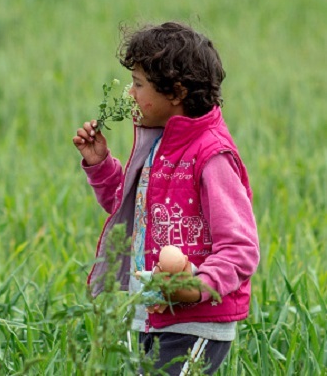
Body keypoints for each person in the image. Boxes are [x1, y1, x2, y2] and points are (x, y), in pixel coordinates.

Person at [72, 22, 259, 375]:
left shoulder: (211, 156)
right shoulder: (158, 145)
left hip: (194, 320)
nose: (129, 93)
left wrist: (198, 286)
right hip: (150, 314)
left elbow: (241, 248)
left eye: (138, 84)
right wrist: (100, 164)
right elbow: (134, 209)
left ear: (175, 92)